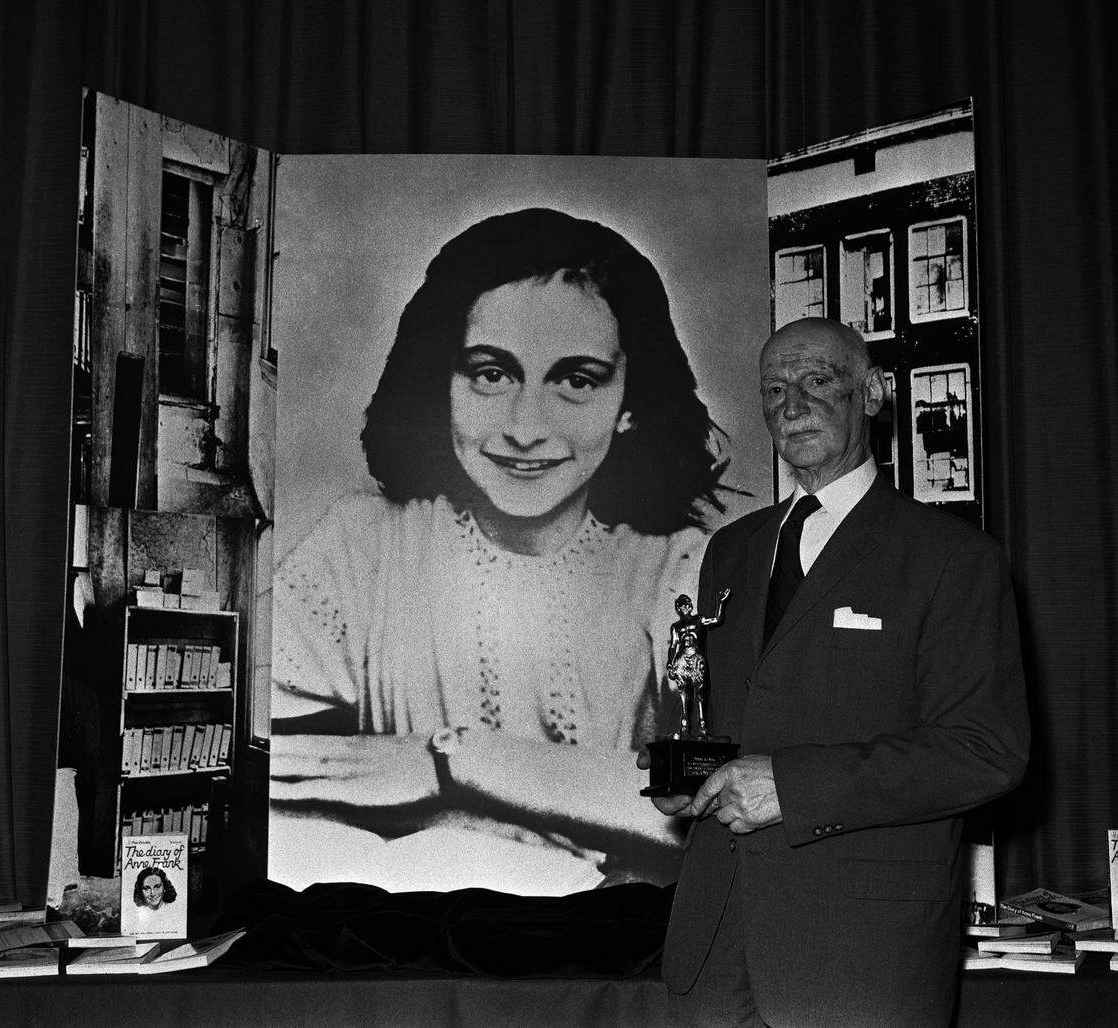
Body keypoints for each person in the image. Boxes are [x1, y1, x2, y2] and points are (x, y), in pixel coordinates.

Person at [270, 207, 730, 889]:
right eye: (491, 373)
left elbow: (713, 794)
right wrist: (460, 828)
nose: (524, 427)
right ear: (444, 385)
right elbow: (281, 780)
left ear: (630, 401)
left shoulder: (686, 567)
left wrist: (458, 763)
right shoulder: (361, 545)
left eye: (576, 380)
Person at [645, 317, 1029, 1025]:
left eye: (817, 381)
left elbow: (985, 751)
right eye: (773, 390)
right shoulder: (730, 550)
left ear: (874, 393)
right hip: (716, 951)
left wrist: (790, 787)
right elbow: (736, 719)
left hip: (862, 957)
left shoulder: (951, 558)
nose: (791, 406)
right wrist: (688, 777)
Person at [666, 589, 730, 738]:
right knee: (683, 694)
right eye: (679, 606)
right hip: (682, 660)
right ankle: (684, 727)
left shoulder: (698, 620)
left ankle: (702, 726)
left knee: (699, 694)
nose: (682, 608)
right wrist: (670, 663)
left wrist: (720, 602)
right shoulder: (676, 627)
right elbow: (673, 646)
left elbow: (717, 619)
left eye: (684, 605)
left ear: (690, 606)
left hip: (697, 660)